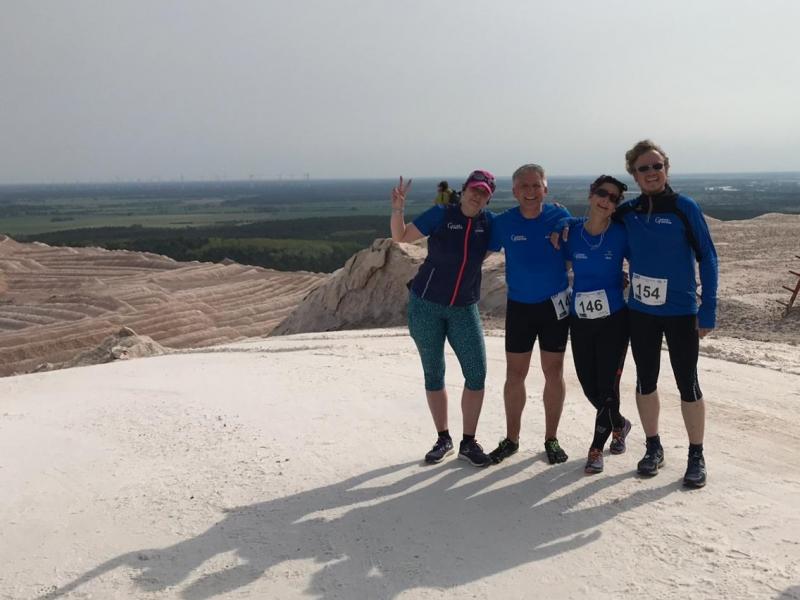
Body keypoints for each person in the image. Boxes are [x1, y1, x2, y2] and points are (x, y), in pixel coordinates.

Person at [391, 170, 497, 468]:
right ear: (464, 190)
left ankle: (468, 442)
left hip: (464, 307)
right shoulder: (441, 214)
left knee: (476, 374)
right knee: (434, 372)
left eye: (484, 193)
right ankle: (443, 438)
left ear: (489, 199)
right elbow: (400, 236)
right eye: (474, 189)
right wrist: (398, 209)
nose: (478, 195)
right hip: (426, 304)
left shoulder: (490, 223)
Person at [487, 164, 572, 465]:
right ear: (514, 191)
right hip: (520, 307)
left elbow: (584, 242)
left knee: (554, 373)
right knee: (515, 375)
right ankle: (512, 439)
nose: (531, 191)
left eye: (536, 185)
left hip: (554, 306)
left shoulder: (560, 216)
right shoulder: (504, 222)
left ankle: (551, 438)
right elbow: (478, 250)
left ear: (545, 189)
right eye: (524, 186)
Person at [561, 175, 633, 474]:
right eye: (603, 193)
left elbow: (644, 261)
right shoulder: (571, 233)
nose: (606, 201)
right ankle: (620, 423)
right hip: (580, 321)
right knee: (588, 384)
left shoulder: (621, 234)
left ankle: (595, 449)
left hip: (614, 321)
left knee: (606, 387)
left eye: (614, 198)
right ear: (591, 195)